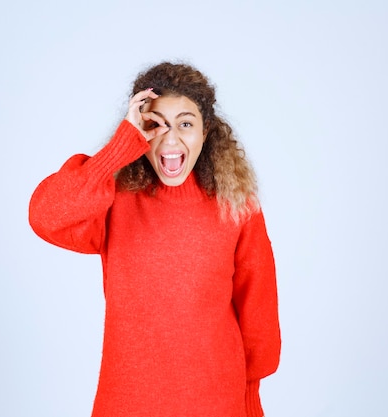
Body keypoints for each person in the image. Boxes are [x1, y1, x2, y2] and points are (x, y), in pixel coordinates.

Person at [29, 62, 281, 417]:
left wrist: (250, 396)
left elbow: (259, 312)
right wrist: (116, 151)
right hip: (127, 403)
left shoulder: (236, 205)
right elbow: (46, 217)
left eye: (186, 124)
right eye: (155, 124)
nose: (172, 139)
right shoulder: (114, 198)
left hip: (217, 402)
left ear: (206, 132)